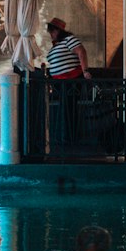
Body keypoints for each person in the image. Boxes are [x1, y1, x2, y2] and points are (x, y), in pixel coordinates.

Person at [42, 17, 91, 151]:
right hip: (62, 84)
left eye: (52, 31)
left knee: (70, 111)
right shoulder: (58, 44)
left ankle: (70, 140)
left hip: (71, 82)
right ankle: (68, 138)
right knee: (67, 110)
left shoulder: (69, 39)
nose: (50, 34)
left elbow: (81, 52)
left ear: (58, 30)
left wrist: (85, 71)